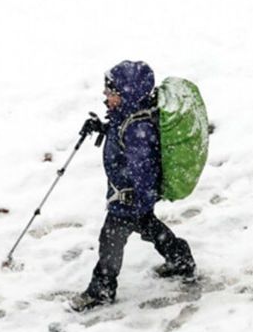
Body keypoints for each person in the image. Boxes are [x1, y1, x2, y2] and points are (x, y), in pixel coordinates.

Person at [70, 60, 196, 312]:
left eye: (111, 93)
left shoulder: (139, 129)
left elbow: (144, 169)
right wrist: (102, 128)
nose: (106, 97)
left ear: (127, 94)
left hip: (129, 199)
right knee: (149, 227)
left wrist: (136, 199)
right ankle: (180, 258)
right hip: (132, 198)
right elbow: (120, 135)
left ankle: (101, 289)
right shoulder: (126, 117)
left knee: (110, 241)